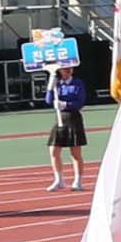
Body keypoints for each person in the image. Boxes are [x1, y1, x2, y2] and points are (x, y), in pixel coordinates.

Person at [44, 58, 87, 190]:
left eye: (69, 68)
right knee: (54, 151)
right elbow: (48, 100)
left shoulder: (77, 83)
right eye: (64, 68)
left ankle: (78, 181)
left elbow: (80, 101)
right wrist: (50, 88)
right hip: (59, 119)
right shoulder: (58, 84)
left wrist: (65, 104)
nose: (67, 70)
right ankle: (59, 180)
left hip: (73, 118)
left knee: (75, 153)